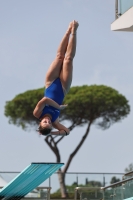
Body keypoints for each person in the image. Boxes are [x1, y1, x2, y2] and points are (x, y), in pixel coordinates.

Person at [33, 20, 79, 136]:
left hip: (50, 83)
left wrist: (58, 107)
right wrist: (50, 132)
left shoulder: (37, 113)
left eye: (45, 122)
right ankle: (74, 31)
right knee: (68, 59)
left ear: (40, 123)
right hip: (63, 87)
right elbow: (66, 132)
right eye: (48, 123)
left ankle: (68, 30)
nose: (48, 120)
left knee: (59, 57)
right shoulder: (54, 121)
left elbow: (45, 100)